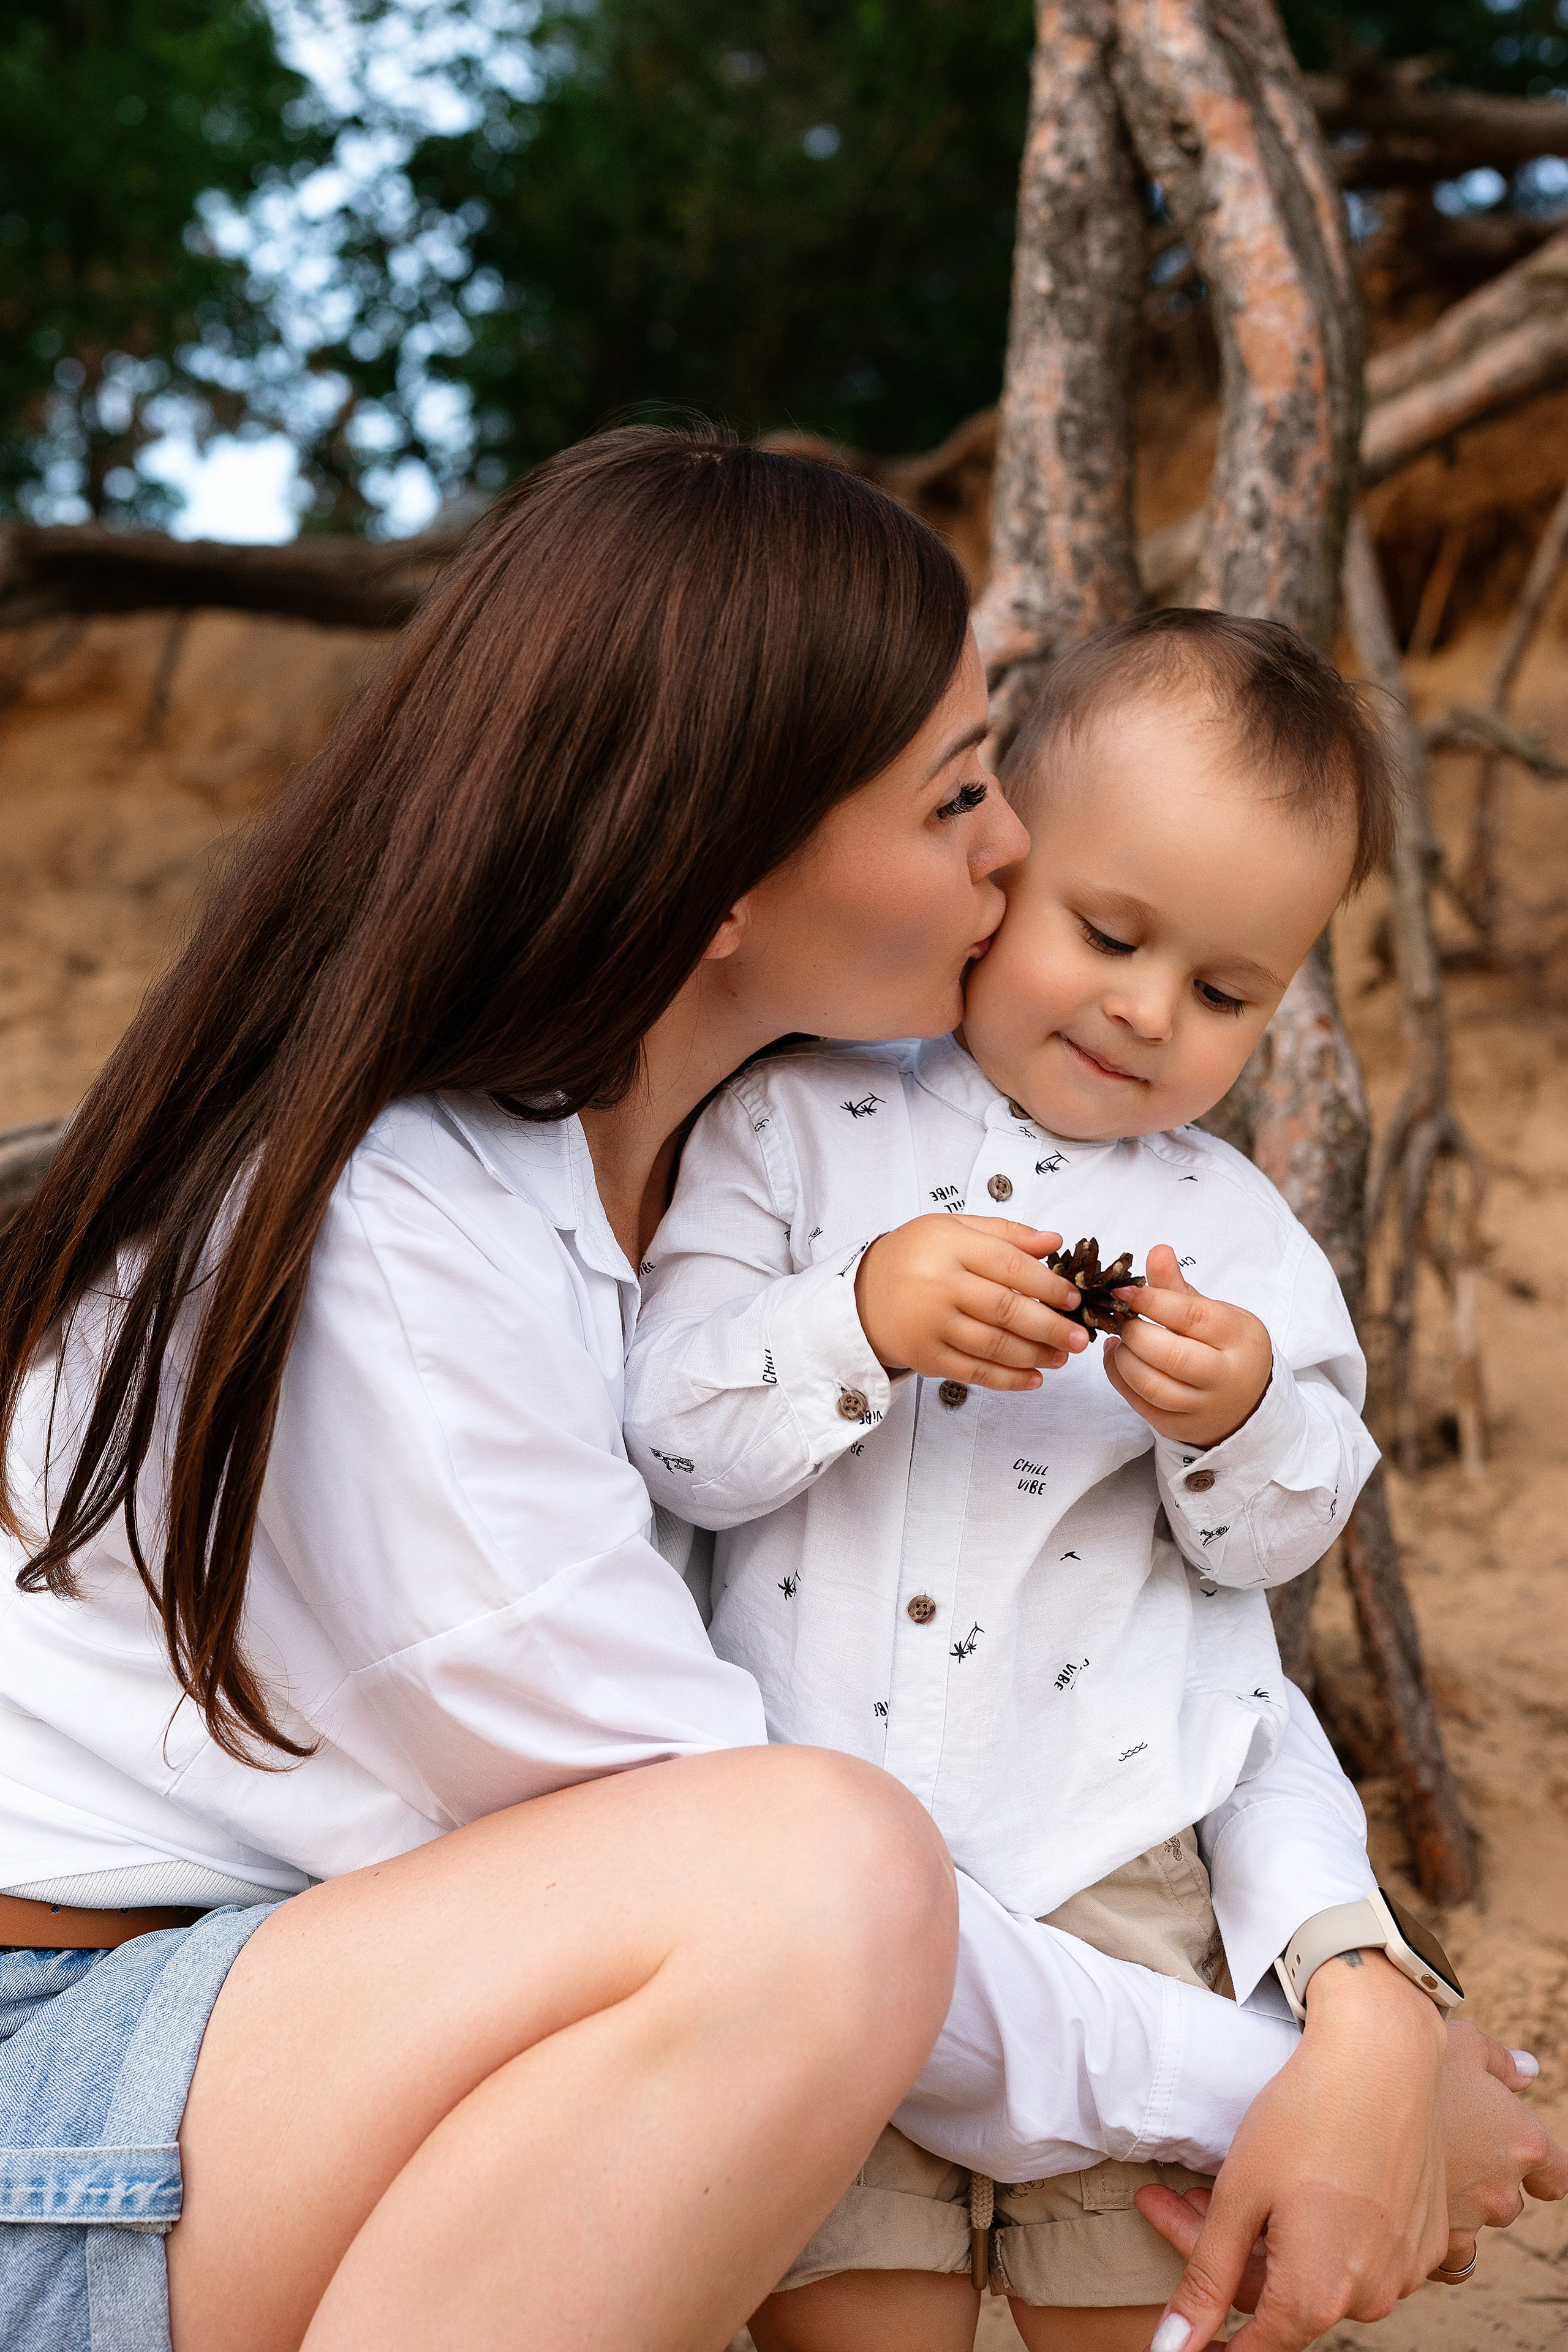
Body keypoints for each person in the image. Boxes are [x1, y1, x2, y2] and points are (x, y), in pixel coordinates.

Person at [0, 431, 1558, 2352]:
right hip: (59, 2111)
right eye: (960, 796)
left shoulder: (724, 1185)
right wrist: (1295, 2105)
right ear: (727, 873)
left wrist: (1367, 2003)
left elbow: (1156, 1633)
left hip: (269, 2047)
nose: (1012, 854)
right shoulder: (408, 1247)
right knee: (817, 1871)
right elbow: (787, 1897)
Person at [622, 604, 1557, 2351]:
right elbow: (672, 1434)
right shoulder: (793, 1121)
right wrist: (860, 1320)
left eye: (1224, 992)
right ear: (1004, 864)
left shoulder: (1237, 1233)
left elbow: (1282, 1540)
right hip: (811, 1861)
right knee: (849, 2306)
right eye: (1105, 933)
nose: (1145, 1013)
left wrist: (1241, 1412)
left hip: (1115, 1863)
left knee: (1143, 2297)